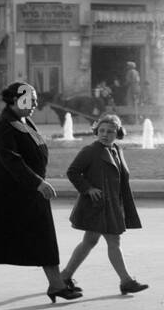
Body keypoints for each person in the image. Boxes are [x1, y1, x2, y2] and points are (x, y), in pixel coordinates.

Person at [0, 82, 82, 305]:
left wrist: (37, 182)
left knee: (43, 236)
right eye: (29, 99)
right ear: (15, 100)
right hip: (4, 192)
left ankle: (56, 285)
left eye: (35, 99)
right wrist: (38, 182)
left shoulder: (24, 121)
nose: (34, 103)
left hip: (28, 190)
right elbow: (11, 161)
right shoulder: (4, 125)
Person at [60, 114, 149, 293]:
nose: (105, 134)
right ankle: (126, 281)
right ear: (96, 132)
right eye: (101, 131)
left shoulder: (117, 149)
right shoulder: (90, 151)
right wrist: (88, 189)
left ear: (118, 133)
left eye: (110, 131)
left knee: (89, 241)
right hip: (98, 206)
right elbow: (72, 172)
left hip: (111, 205)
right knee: (113, 241)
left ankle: (64, 277)